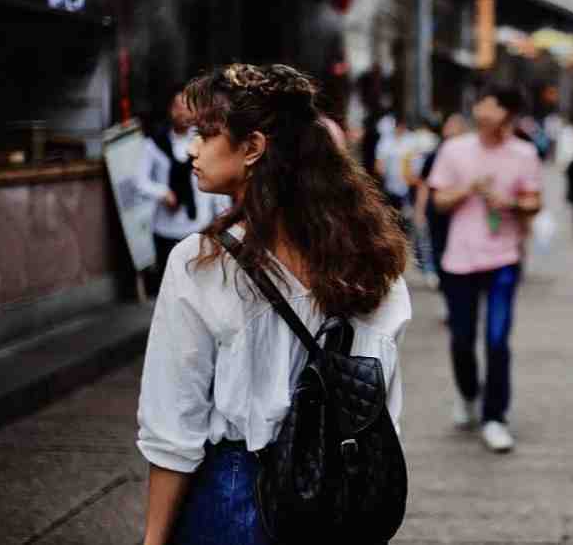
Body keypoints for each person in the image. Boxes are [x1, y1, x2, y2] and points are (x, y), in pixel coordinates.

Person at [136, 64, 412, 545]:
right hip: (342, 496)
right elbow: (382, 402)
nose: (192, 149)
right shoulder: (372, 259)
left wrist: (153, 539)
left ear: (253, 148)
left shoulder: (202, 263)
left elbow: (174, 427)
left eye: (206, 133)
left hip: (239, 496)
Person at [427, 85, 543, 453]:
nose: (481, 110)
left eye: (490, 105)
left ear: (506, 113)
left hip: (503, 258)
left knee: (497, 341)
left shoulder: (524, 153)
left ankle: (495, 417)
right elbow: (438, 200)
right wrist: (468, 190)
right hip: (460, 259)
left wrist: (509, 202)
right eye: (479, 103)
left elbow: (535, 201)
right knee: (461, 339)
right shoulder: (454, 149)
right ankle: (467, 394)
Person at [138, 92, 231, 293]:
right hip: (166, 228)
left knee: (200, 286)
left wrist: (223, 216)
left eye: (188, 106)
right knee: (170, 286)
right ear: (170, 110)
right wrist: (163, 192)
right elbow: (141, 181)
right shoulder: (154, 143)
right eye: (177, 106)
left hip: (199, 225)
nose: (182, 112)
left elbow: (216, 181)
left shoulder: (206, 141)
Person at [414, 112, 470, 294]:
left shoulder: (470, 155)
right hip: (437, 212)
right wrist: (420, 210)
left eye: (455, 127)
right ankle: (447, 288)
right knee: (439, 250)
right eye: (449, 126)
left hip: (461, 212)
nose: (450, 130)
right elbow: (424, 183)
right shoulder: (435, 154)